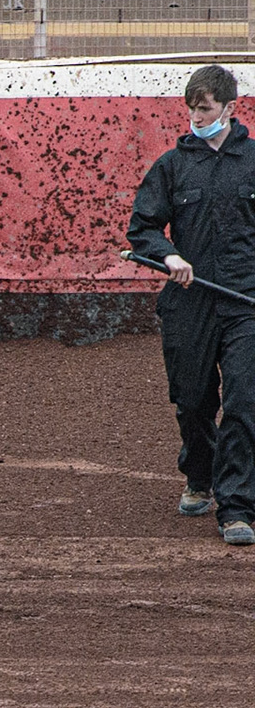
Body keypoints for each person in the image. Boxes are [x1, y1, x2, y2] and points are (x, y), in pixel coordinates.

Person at [128, 64, 255, 545]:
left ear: (230, 108)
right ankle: (199, 474)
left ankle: (238, 505)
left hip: (247, 302)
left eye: (205, 109)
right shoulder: (171, 165)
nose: (196, 117)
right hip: (189, 301)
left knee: (245, 400)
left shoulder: (253, 161)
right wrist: (169, 255)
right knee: (193, 399)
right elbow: (141, 230)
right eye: (191, 108)